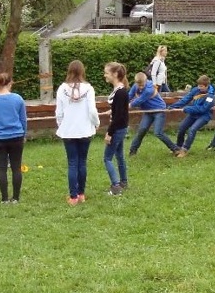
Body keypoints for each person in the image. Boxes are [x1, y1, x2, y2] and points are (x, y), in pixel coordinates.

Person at [55, 60, 100, 205]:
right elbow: (92, 110)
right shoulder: (88, 88)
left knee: (72, 163)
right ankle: (81, 194)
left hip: (68, 130)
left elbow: (59, 112)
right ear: (82, 71)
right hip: (85, 129)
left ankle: (73, 197)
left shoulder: (62, 89)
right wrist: (96, 123)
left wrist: (61, 124)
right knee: (82, 162)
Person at [0, 73, 28, 204]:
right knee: (16, 167)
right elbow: (23, 119)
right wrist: (23, 134)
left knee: (1, 168)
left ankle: (4, 198)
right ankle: (15, 197)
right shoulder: (18, 99)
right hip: (16, 136)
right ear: (10, 83)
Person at [128, 72, 178, 156]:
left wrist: (128, 105)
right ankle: (132, 151)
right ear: (136, 82)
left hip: (159, 110)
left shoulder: (149, 89)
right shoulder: (135, 86)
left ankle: (175, 149)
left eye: (142, 85)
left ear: (146, 81)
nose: (140, 87)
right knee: (142, 130)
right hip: (148, 111)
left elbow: (140, 100)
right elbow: (129, 96)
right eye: (138, 85)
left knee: (158, 132)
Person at [168, 75, 215, 157]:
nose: (199, 87)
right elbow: (186, 99)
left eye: (201, 86)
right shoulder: (195, 90)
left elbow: (203, 109)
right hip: (193, 114)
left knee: (192, 130)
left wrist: (187, 109)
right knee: (182, 128)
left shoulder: (210, 97)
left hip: (204, 116)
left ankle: (184, 150)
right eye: (198, 85)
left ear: (206, 86)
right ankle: (178, 147)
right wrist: (173, 106)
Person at [102, 62, 129, 195]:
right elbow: (119, 110)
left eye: (107, 73)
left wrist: (109, 133)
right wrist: (110, 111)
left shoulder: (120, 92)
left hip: (118, 129)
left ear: (115, 74)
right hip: (121, 128)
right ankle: (123, 182)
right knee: (119, 155)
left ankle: (116, 187)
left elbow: (118, 116)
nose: (105, 75)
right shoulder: (120, 90)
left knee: (107, 158)